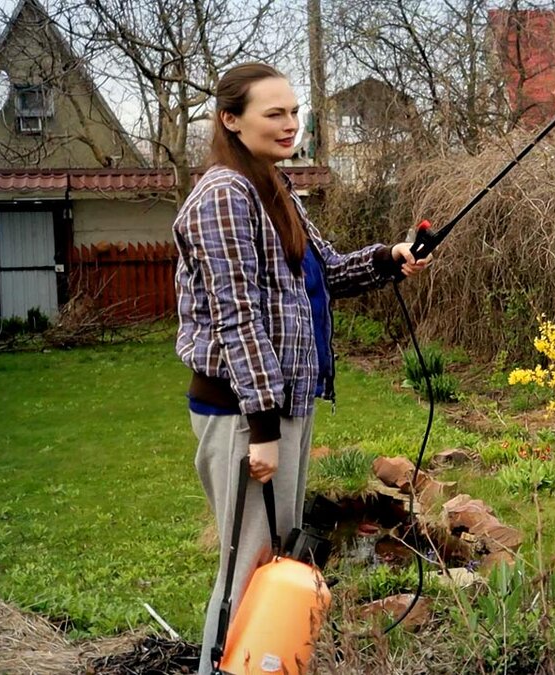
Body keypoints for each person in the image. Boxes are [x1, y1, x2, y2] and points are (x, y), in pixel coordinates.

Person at [171, 62, 428, 674]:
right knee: (249, 563)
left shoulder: (271, 185)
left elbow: (327, 273)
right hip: (243, 411)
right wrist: (261, 430)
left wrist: (391, 259)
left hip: (287, 404)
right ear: (231, 120)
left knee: (271, 557)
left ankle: (264, 662)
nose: (291, 124)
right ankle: (223, 666)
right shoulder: (224, 196)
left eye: (295, 112)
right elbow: (238, 318)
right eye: (274, 113)